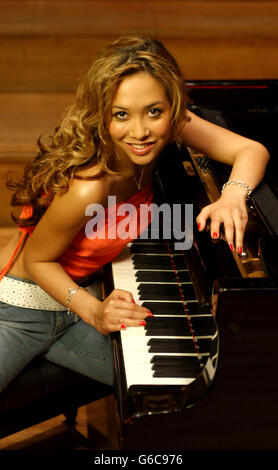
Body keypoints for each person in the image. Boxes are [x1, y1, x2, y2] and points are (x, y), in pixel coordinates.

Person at [0, 35, 269, 393]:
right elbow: (37, 260)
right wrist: (93, 311)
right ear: (101, 114)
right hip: (22, 309)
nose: (140, 132)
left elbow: (251, 150)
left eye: (154, 111)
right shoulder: (89, 187)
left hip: (84, 291)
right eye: (121, 114)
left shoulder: (172, 126)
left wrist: (233, 196)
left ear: (171, 107)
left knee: (197, 385)